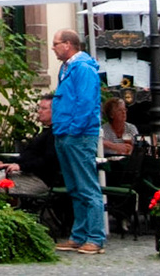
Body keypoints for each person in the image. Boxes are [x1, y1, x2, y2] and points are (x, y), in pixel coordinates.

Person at [52, 28, 105, 255]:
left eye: (56, 43)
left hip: (78, 135)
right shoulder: (66, 68)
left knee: (87, 187)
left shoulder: (82, 68)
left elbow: (85, 103)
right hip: (65, 133)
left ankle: (95, 237)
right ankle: (79, 235)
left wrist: (73, 130)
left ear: (67, 44)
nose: (53, 48)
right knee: (75, 188)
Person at [0, 96, 61, 197]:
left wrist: (21, 166)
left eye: (44, 108)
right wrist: (9, 163)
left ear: (55, 111)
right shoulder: (43, 131)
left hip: (39, 180)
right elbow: (29, 156)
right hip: (26, 174)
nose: (39, 111)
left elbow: (48, 160)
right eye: (39, 108)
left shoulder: (55, 134)